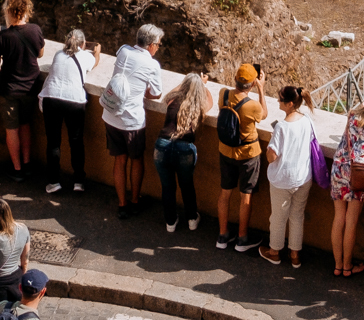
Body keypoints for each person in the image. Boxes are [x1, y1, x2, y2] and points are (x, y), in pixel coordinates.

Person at [101, 24, 166, 220]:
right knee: (136, 160)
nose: (158, 48)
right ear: (152, 45)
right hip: (132, 121)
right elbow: (156, 94)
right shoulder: (152, 65)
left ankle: (122, 205)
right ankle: (135, 201)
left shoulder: (123, 51)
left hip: (111, 115)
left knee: (119, 160)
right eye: (159, 45)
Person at [259, 86, 321, 267]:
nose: (278, 102)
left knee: (278, 217)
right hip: (303, 178)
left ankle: (274, 252)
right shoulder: (307, 120)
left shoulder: (281, 127)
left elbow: (272, 157)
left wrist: (269, 146)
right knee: (297, 216)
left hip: (283, 180)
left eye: (280, 100)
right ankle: (295, 255)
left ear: (290, 103)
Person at [0, 0, 44, 185]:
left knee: (11, 129)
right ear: (27, 11)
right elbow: (40, 52)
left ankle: (17, 169)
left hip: (9, 89)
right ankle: (28, 163)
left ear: (8, 11)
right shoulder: (35, 30)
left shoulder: (3, 36)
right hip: (31, 87)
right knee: (26, 125)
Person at [330, 88, 364, 279]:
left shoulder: (352, 115)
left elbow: (347, 136)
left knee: (339, 219)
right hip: (359, 173)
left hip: (340, 168)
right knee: (351, 223)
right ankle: (347, 266)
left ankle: (337, 266)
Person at [39, 30, 99, 194]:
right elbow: (95, 63)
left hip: (52, 98)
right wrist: (97, 52)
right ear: (82, 44)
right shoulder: (86, 56)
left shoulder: (58, 54)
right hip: (74, 101)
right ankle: (78, 181)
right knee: (76, 142)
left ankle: (53, 182)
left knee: (53, 142)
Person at [215, 65, 266, 252]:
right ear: (252, 83)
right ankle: (242, 239)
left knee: (225, 192)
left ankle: (222, 235)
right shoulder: (252, 106)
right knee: (246, 195)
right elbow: (264, 115)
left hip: (225, 150)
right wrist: (261, 89)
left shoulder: (223, 94)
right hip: (247, 155)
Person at [153, 72, 208, 233]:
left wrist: (187, 81)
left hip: (162, 145)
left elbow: (169, 93)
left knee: (167, 186)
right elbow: (209, 100)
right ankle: (191, 219)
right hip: (184, 148)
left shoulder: (172, 100)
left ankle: (170, 222)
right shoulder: (199, 107)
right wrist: (202, 84)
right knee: (187, 185)